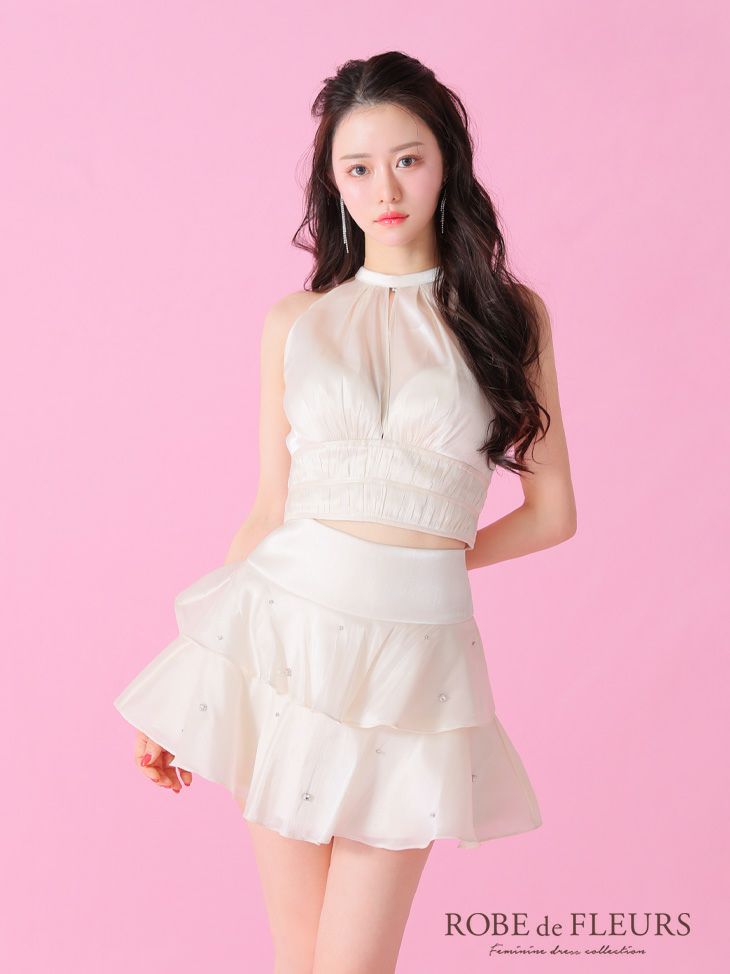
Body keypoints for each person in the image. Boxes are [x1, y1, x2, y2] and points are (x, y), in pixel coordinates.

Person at [113, 52, 577, 974]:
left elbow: (552, 513)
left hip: (416, 662)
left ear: (445, 161)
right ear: (333, 182)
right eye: (357, 168)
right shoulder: (296, 322)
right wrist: (184, 688)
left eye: (407, 160)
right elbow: (269, 514)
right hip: (285, 643)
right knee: (300, 962)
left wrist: (422, 560)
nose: (384, 190)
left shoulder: (509, 317)